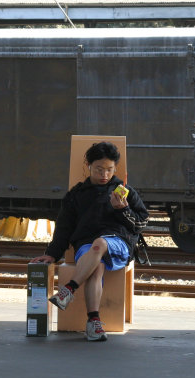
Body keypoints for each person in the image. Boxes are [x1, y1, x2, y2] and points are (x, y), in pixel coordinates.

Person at [33, 141, 148, 342]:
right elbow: (64, 228)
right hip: (87, 245)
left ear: (115, 168)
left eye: (109, 170)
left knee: (100, 243)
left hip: (118, 242)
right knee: (96, 266)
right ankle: (93, 322)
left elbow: (141, 223)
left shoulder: (124, 191)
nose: (104, 175)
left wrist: (122, 209)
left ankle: (68, 290)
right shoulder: (76, 195)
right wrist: (53, 252)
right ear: (88, 166)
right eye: (99, 169)